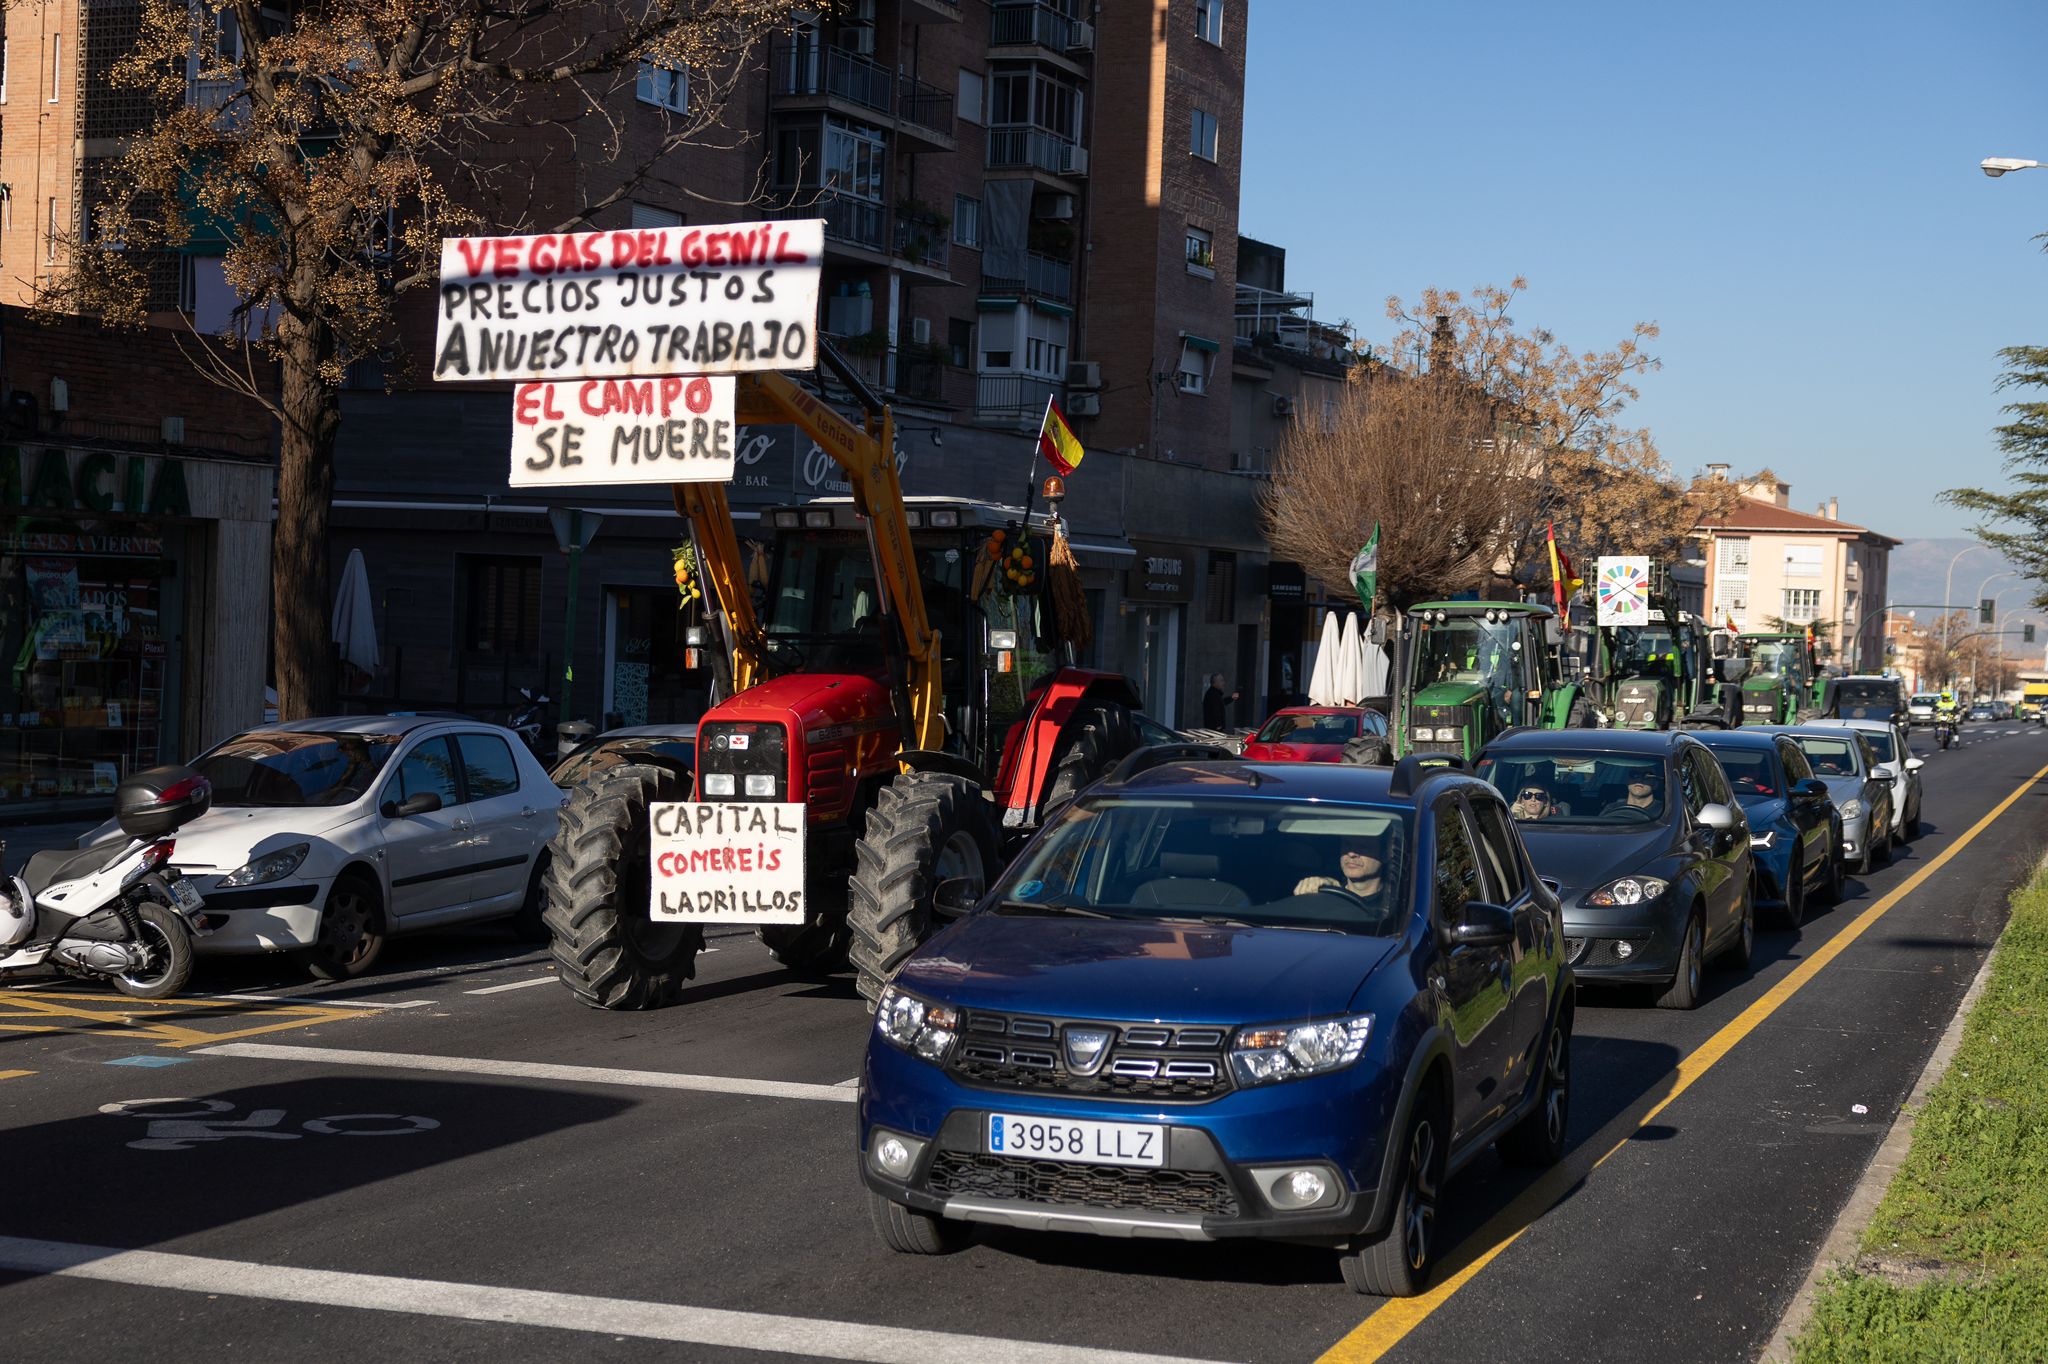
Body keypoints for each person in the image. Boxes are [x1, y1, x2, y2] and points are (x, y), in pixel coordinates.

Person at [1294, 836, 1388, 906]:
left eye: (1363, 846)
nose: (1351, 853)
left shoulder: (1394, 906)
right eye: (1347, 844)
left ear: (1385, 855)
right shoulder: (1324, 897)